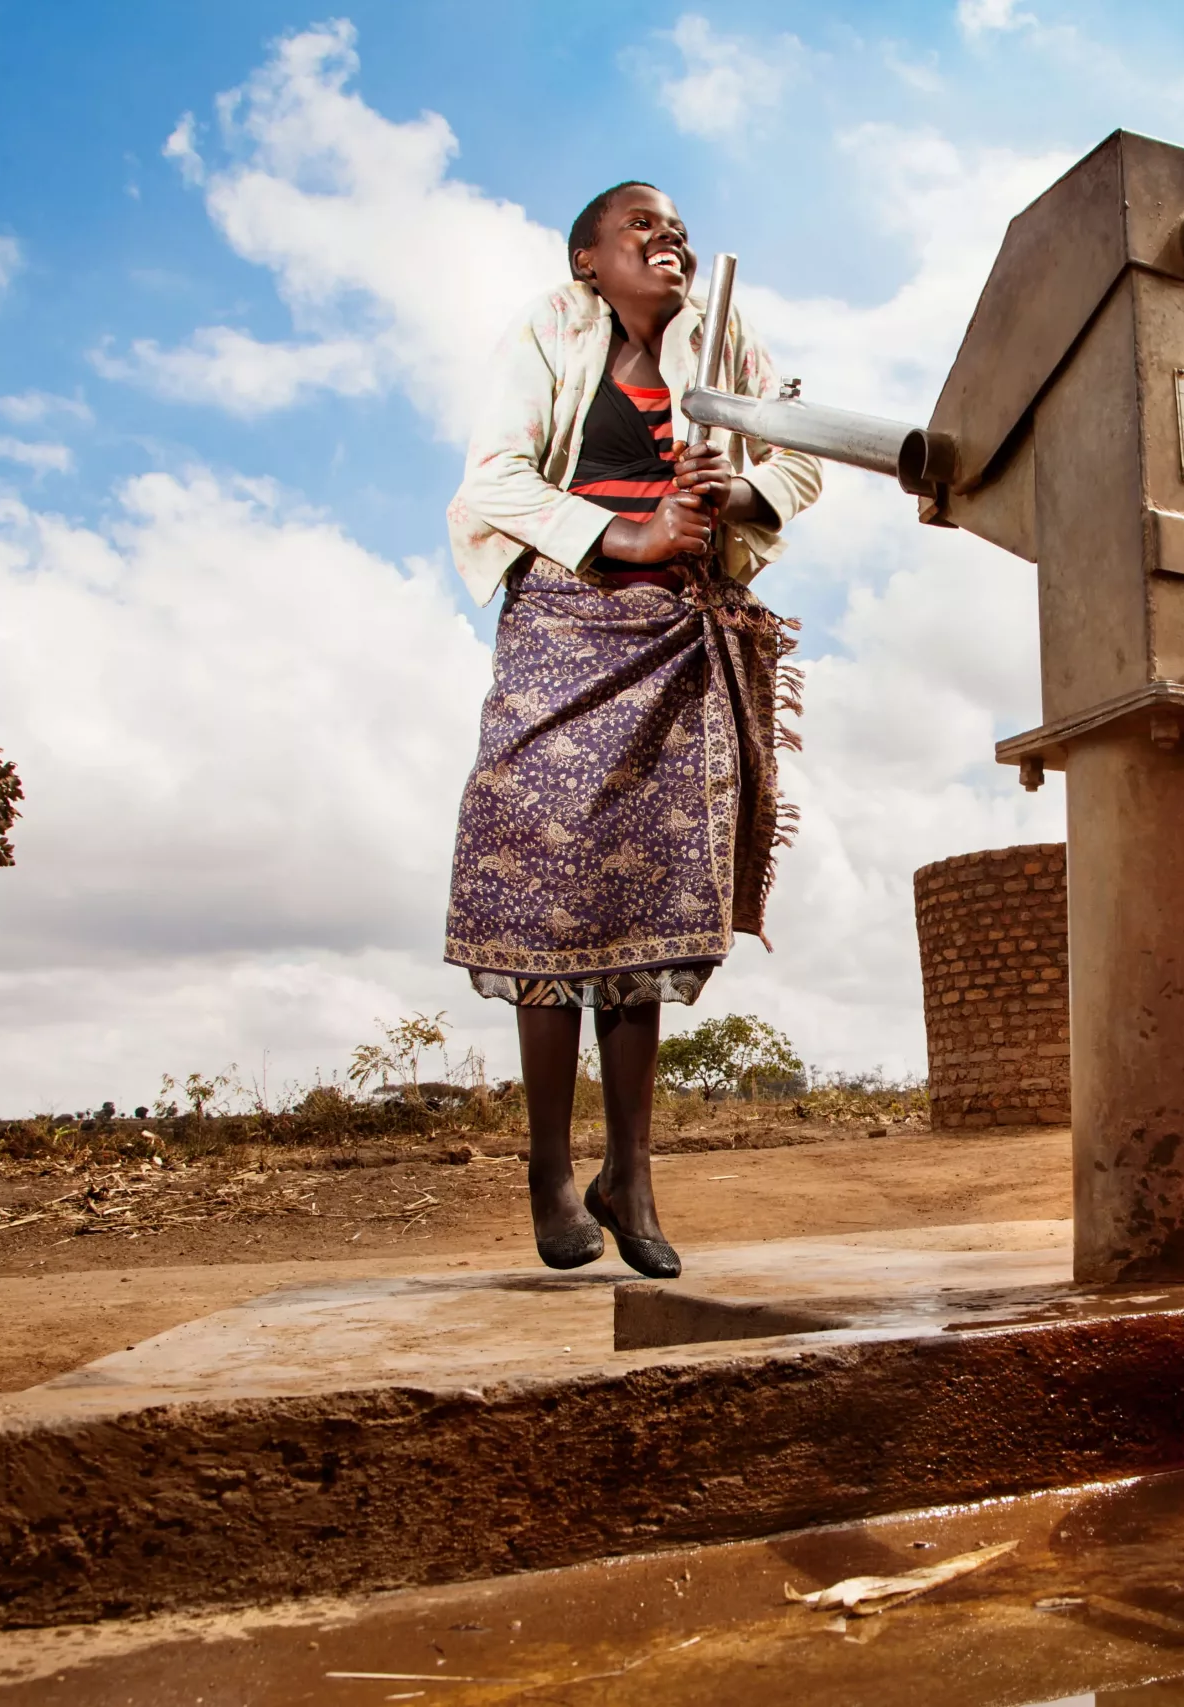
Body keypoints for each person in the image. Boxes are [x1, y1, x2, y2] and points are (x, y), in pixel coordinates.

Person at [443, 182, 822, 1277]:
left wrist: (738, 493)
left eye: (680, 233)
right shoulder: (546, 330)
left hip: (676, 635)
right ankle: (550, 1168)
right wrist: (633, 531)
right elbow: (497, 480)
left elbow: (797, 458)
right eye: (641, 230)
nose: (669, 243)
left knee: (644, 898)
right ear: (587, 262)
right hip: (564, 620)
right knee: (546, 883)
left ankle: (632, 1173)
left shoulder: (728, 340)